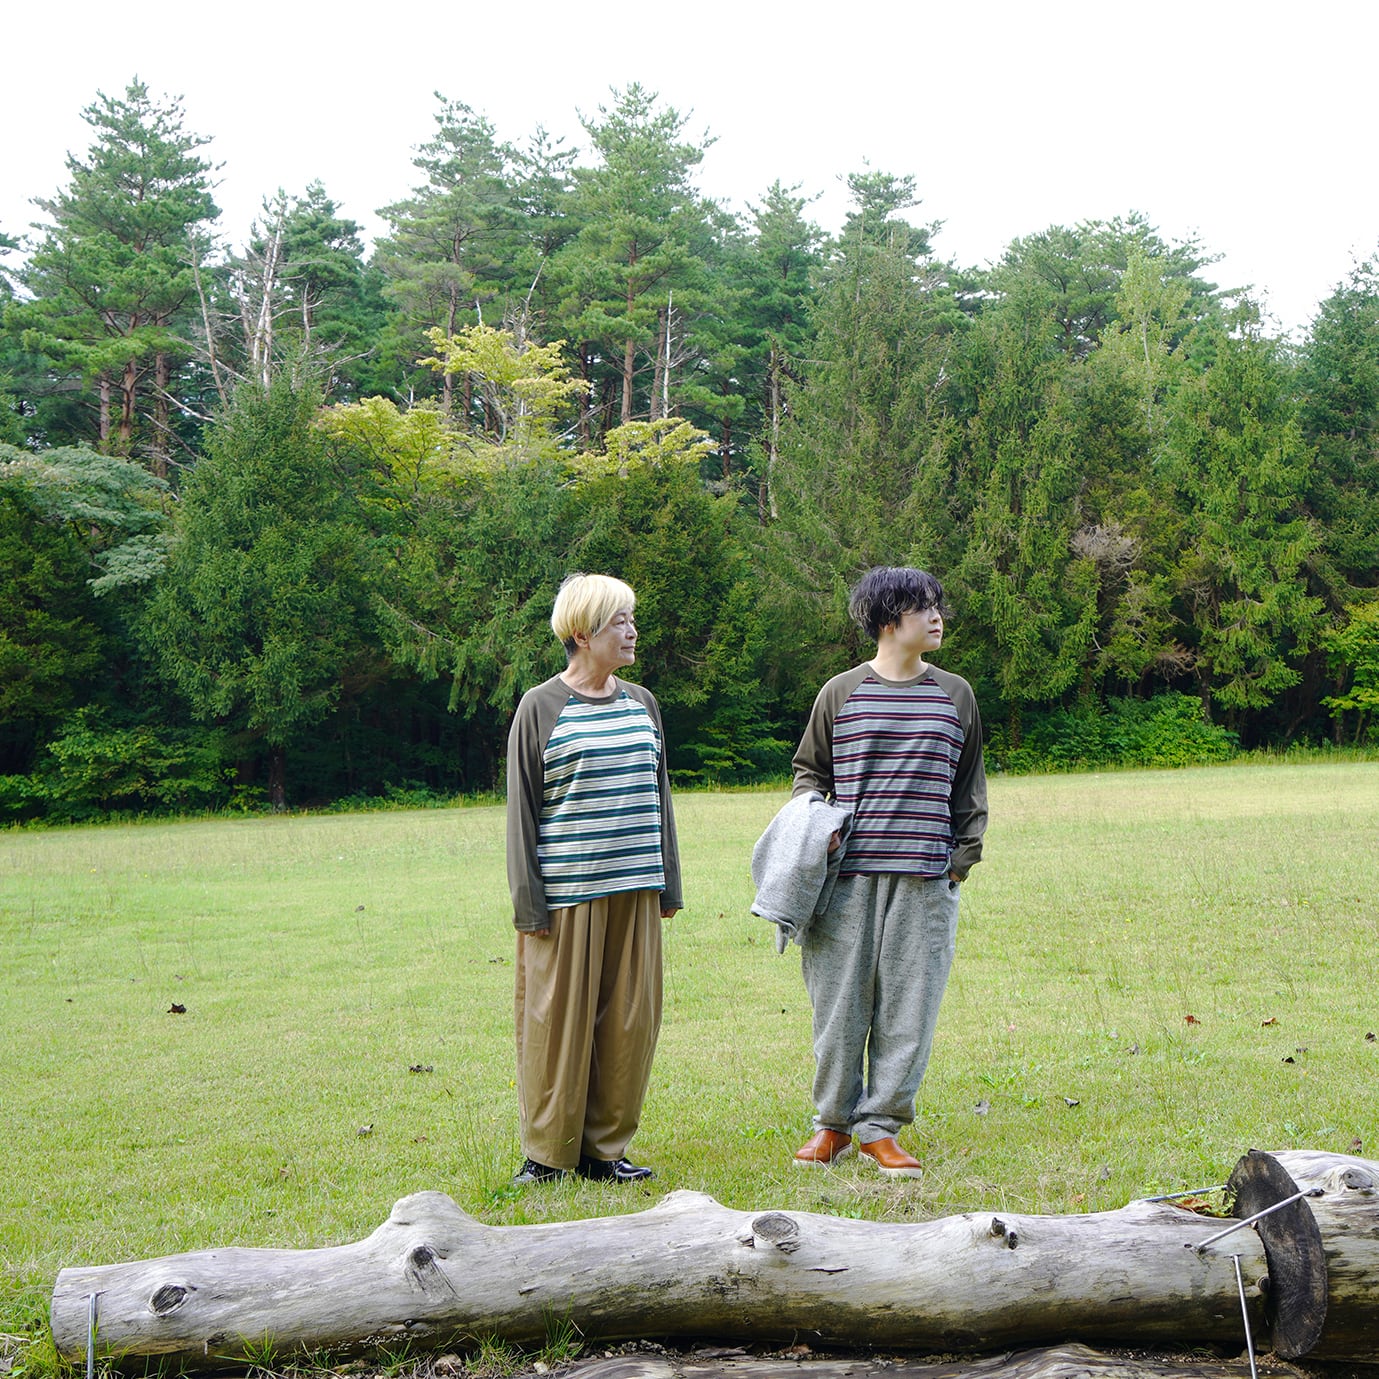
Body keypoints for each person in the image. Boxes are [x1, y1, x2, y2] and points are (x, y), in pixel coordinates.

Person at [790, 566, 987, 1178]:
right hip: (844, 882)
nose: (938, 618)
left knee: (909, 1011)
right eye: (925, 608)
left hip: (926, 881)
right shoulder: (840, 692)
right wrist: (816, 832)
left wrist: (960, 860)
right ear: (888, 620)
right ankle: (832, 1124)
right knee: (839, 1010)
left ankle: (881, 1127)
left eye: (938, 607)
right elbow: (809, 773)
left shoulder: (956, 695)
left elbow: (969, 785)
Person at [505, 573, 682, 1185]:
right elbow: (522, 812)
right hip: (568, 898)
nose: (632, 632)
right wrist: (530, 905)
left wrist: (669, 883)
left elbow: (659, 797)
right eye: (619, 622)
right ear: (582, 634)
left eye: (632, 619)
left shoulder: (643, 703)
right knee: (557, 1028)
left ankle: (605, 1152)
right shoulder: (540, 707)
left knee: (628, 1024)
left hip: (636, 888)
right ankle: (548, 1157)